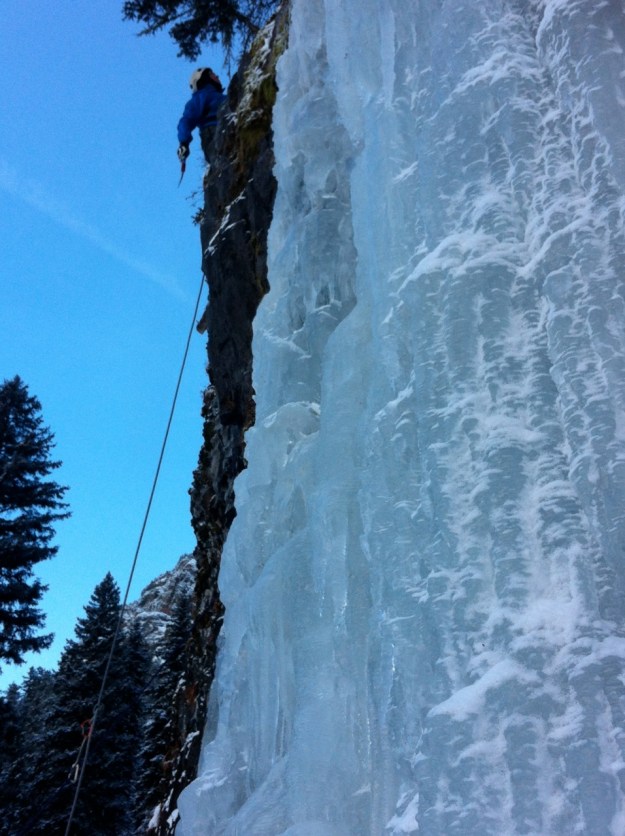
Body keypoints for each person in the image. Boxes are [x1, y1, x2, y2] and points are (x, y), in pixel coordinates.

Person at [177, 68, 226, 163]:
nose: (217, 76)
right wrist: (184, 143)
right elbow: (186, 120)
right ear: (204, 78)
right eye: (212, 74)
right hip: (214, 133)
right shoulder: (201, 96)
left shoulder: (222, 97)